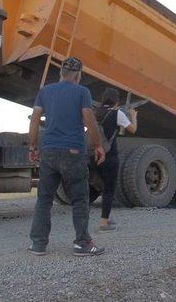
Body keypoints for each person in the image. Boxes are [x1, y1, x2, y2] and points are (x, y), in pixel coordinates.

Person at [28, 57, 106, 257]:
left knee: (44, 199)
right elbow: (90, 120)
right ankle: (82, 243)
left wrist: (32, 147)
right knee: (80, 198)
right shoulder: (82, 92)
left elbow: (35, 120)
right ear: (78, 75)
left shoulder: (45, 92)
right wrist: (98, 145)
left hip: (49, 151)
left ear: (61, 73)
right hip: (73, 151)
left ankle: (38, 244)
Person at [94, 88, 138, 232]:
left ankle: (106, 217)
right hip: (110, 156)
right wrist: (133, 116)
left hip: (94, 156)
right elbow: (133, 129)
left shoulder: (95, 113)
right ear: (117, 101)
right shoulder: (117, 113)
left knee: (99, 187)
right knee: (109, 190)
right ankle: (103, 224)